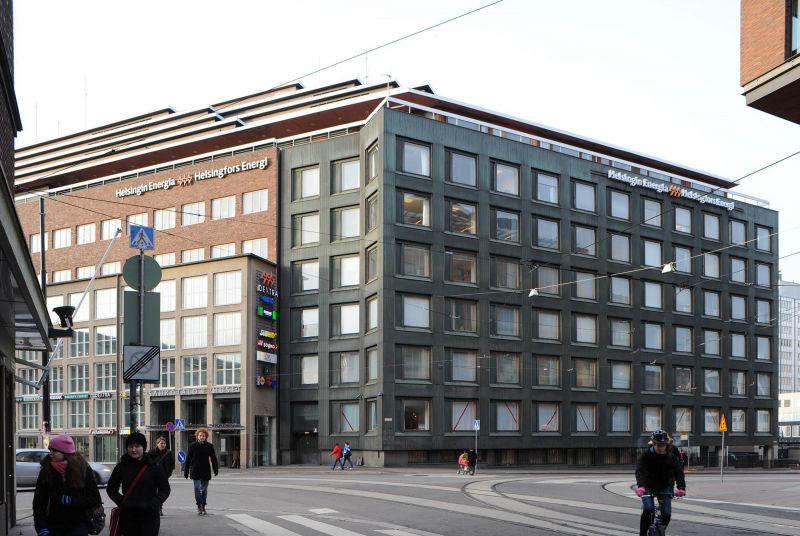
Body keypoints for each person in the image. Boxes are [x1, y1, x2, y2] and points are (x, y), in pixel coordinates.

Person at [33, 434, 102, 536]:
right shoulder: (46, 470)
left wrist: (72, 500)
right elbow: (38, 502)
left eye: (54, 450)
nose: (50, 453)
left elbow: (95, 498)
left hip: (78, 524)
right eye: (50, 450)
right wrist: (41, 527)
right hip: (53, 525)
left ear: (65, 452)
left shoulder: (83, 469)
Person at [107, 432, 170, 536]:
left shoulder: (154, 466)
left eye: (137, 446)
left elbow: (165, 489)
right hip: (128, 516)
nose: (133, 450)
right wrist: (122, 502)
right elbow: (111, 489)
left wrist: (153, 504)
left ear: (143, 447)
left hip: (149, 516)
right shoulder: (121, 467)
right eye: (130, 446)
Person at [635, 430, 686, 536]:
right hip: (647, 486)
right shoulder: (646, 455)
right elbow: (640, 471)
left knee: (667, 514)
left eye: (664, 445)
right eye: (659, 445)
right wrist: (641, 486)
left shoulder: (671, 457)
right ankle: (642, 534)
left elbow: (678, 472)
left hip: (664, 486)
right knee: (648, 509)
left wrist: (681, 487)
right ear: (653, 443)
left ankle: (660, 530)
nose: (661, 448)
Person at [184, 428, 219, 515]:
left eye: (203, 436)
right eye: (200, 435)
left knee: (204, 490)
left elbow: (213, 458)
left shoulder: (209, 446)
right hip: (195, 470)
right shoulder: (193, 445)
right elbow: (188, 459)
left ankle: (203, 505)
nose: (202, 437)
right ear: (197, 436)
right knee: (197, 489)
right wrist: (186, 471)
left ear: (206, 436)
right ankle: (199, 506)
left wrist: (215, 469)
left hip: (205, 470)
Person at [147, 435, 175, 516]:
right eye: (161, 443)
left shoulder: (169, 453)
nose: (163, 445)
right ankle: (154, 507)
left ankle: (159, 507)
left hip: (164, 476)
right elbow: (147, 463)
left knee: (162, 493)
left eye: (164, 443)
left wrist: (168, 474)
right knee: (154, 492)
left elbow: (172, 464)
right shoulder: (152, 452)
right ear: (157, 444)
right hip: (153, 476)